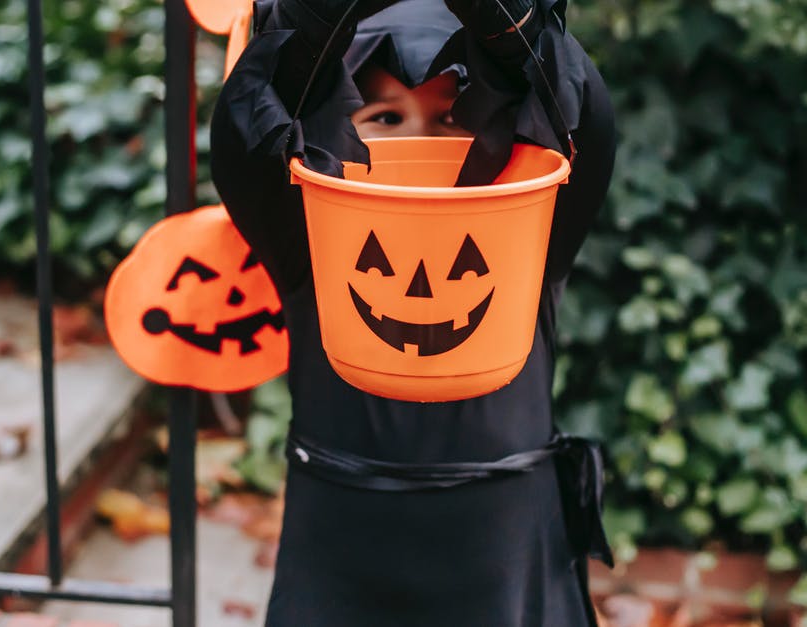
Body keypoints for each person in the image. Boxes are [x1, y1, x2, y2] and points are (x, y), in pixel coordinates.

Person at [210, 0, 616, 624]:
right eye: (384, 116)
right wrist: (313, 20)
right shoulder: (305, 237)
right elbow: (254, 131)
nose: (418, 142)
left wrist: (514, 26)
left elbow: (576, 115)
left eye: (452, 115)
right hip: (339, 556)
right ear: (331, 130)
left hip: (506, 553)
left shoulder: (533, 229)